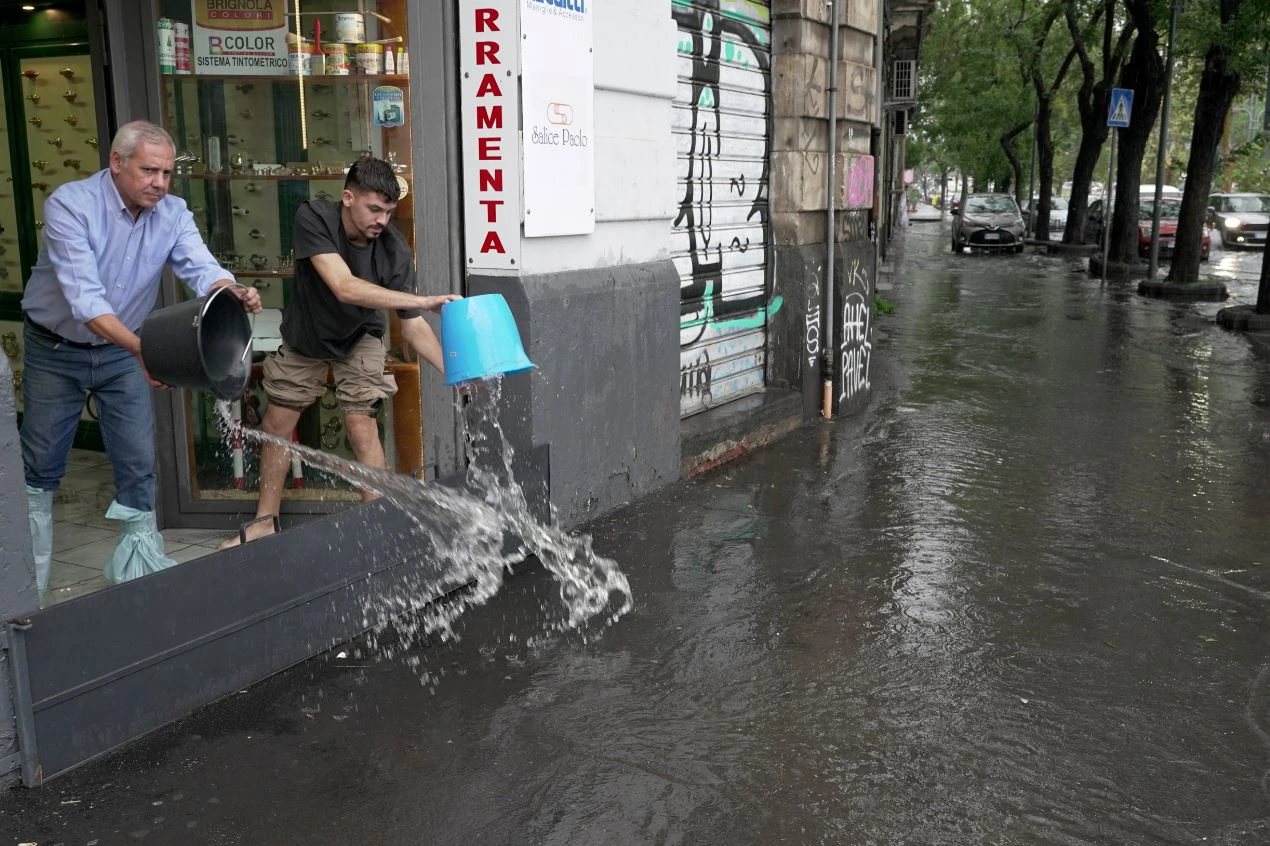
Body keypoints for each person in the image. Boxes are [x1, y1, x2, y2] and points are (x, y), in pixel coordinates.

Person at [21, 120, 262, 600]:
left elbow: (201, 267)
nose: (160, 183)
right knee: (41, 466)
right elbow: (87, 303)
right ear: (117, 162)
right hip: (55, 349)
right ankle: (27, 593)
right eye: (149, 171)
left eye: (167, 173)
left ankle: (140, 585)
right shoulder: (70, 205)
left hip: (120, 351)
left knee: (137, 463)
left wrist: (230, 290)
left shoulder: (173, 213)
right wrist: (142, 351)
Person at [221, 157, 458, 547]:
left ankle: (379, 528)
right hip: (308, 335)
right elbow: (343, 287)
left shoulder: (394, 250)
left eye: (389, 212)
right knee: (277, 424)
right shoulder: (313, 217)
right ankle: (264, 522)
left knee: (361, 424)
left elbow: (413, 326)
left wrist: (454, 372)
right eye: (374, 209)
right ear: (348, 198)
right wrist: (424, 299)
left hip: (360, 335)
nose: (382, 220)